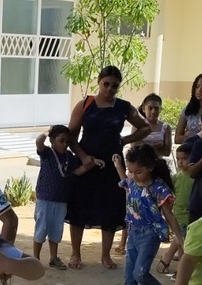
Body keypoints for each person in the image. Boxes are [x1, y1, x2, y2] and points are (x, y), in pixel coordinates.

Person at [65, 65, 151, 270]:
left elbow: (145, 127)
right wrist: (84, 157)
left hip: (113, 165)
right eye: (106, 84)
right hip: (86, 164)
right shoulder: (85, 104)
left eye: (114, 85)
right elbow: (70, 135)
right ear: (99, 82)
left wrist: (126, 140)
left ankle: (105, 255)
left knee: (111, 207)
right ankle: (75, 253)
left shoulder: (124, 107)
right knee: (79, 207)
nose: (109, 89)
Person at [105, 145, 184, 285]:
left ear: (149, 167)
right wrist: (118, 165)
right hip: (133, 232)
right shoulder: (132, 181)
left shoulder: (159, 188)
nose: (133, 175)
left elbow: (169, 215)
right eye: (130, 171)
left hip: (149, 234)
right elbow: (125, 180)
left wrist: (179, 238)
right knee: (129, 278)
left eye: (138, 171)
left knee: (140, 274)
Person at [33, 125, 100, 269]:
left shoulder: (69, 157)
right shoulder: (47, 153)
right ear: (52, 140)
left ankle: (53, 257)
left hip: (62, 199)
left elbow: (78, 171)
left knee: (56, 230)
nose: (64, 145)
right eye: (61, 141)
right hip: (45, 198)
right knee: (41, 228)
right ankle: (35, 258)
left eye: (67, 142)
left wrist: (92, 164)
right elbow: (39, 142)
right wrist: (46, 132)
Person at [115, 93, 171, 256]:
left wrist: (148, 146)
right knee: (132, 204)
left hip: (156, 171)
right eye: (150, 108)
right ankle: (124, 241)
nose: (153, 111)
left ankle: (153, 236)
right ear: (144, 109)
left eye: (157, 108)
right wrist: (155, 146)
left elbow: (167, 150)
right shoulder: (138, 127)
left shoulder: (165, 127)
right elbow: (135, 148)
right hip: (138, 171)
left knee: (155, 205)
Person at [156, 142, 194, 274]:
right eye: (178, 159)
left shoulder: (195, 177)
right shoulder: (177, 177)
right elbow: (170, 195)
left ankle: (169, 263)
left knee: (182, 243)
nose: (180, 162)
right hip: (178, 214)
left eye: (184, 159)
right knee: (182, 243)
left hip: (190, 215)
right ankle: (179, 270)